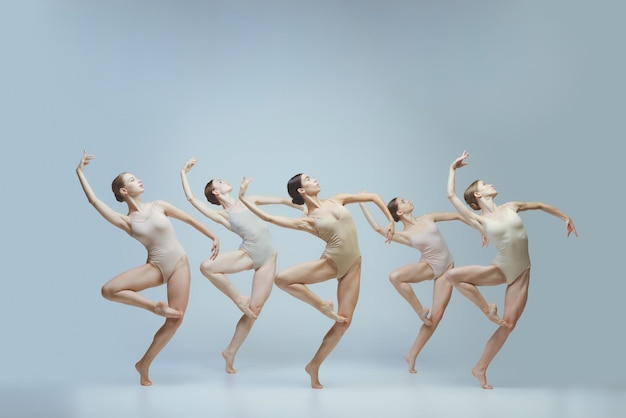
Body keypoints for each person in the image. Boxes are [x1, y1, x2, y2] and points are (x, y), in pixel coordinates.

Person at [76, 150, 220, 386]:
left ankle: (143, 365)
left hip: (179, 265)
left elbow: (190, 219)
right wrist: (80, 172)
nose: (138, 180)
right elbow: (94, 201)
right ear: (123, 191)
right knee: (108, 290)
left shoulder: (159, 205)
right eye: (132, 179)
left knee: (176, 318)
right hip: (155, 267)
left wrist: (212, 236)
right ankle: (154, 307)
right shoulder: (127, 221)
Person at [238, 173, 395, 389]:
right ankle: (321, 305)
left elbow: (373, 197)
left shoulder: (337, 199)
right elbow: (271, 218)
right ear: (301, 190)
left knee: (344, 322)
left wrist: (389, 221)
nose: (315, 180)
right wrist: (244, 198)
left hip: (354, 265)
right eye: (309, 179)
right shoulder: (308, 220)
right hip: (331, 263)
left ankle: (313, 365)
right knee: (282, 278)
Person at [445, 150, 578, 389]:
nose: (490, 184)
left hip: (522, 272)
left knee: (508, 325)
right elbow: (451, 195)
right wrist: (453, 169)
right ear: (478, 194)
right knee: (452, 275)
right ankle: (487, 309)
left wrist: (564, 217)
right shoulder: (479, 220)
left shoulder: (510, 206)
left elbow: (538, 205)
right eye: (485, 184)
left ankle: (479, 368)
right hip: (501, 267)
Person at [180, 157, 303, 374]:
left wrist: (304, 209)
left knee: (254, 310)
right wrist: (184, 173)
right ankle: (238, 298)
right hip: (248, 254)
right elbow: (191, 199)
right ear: (216, 193)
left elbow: (282, 201)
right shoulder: (223, 215)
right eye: (219, 181)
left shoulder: (249, 199)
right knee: (207, 267)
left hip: (269, 257)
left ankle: (230, 351)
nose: (224, 180)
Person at [359, 195, 479, 374]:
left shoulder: (428, 217)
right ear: (399, 212)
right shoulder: (404, 235)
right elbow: (377, 227)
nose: (408, 201)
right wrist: (362, 202)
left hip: (447, 268)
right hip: (429, 266)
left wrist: (480, 227)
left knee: (436, 317)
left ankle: (411, 354)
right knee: (395, 277)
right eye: (403, 201)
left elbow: (457, 216)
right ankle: (419, 310)